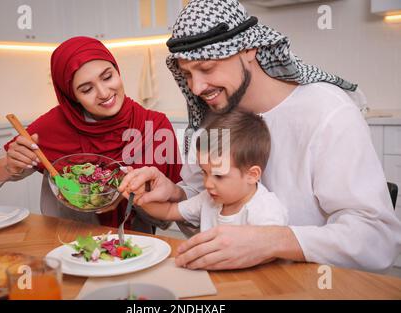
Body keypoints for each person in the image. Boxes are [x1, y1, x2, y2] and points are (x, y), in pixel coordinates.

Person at [119, 0, 401, 271]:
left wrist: (271, 241)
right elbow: (207, 199)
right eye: (188, 74)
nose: (195, 88)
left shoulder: (328, 113)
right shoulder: (214, 116)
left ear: (249, 49)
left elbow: (377, 239)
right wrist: (176, 192)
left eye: (206, 68)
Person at [0, 36, 181, 233]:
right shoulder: (52, 126)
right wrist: (9, 165)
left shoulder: (154, 126)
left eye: (107, 77)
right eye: (86, 89)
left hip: (137, 246)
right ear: (72, 96)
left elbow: (167, 219)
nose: (104, 93)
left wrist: (135, 194)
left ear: (117, 71)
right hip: (67, 242)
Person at [123, 110, 288, 234]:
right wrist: (140, 198)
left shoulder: (266, 211)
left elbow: (269, 257)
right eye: (204, 172)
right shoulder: (209, 199)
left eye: (218, 175)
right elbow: (168, 211)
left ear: (252, 175)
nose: (207, 183)